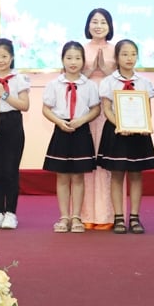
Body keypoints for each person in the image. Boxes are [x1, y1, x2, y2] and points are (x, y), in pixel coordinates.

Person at [97, 39, 154, 234]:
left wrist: (141, 125)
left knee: (136, 175)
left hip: (138, 133)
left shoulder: (144, 83)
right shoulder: (108, 82)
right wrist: (120, 124)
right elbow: (106, 109)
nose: (129, 58)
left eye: (133, 54)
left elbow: (146, 110)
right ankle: (119, 217)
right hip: (116, 132)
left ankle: (135, 217)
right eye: (124, 54)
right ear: (116, 58)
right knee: (116, 175)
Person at [42, 41, 100, 234]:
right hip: (61, 129)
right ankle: (63, 216)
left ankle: (76, 217)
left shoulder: (89, 85)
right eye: (69, 58)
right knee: (62, 176)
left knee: (78, 176)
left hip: (81, 130)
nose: (73, 62)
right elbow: (46, 109)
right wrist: (59, 122)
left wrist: (82, 120)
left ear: (83, 61)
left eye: (77, 58)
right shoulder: (54, 84)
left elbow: (96, 109)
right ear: (62, 60)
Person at [0, 38, 30, 230]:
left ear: (12, 57)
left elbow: (24, 106)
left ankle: (10, 212)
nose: (0, 60)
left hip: (13, 123)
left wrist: (3, 93)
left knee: (10, 170)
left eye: (4, 56)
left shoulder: (20, 79)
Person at [80, 8, 116, 230]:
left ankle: (107, 215)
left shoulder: (117, 49)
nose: (99, 25)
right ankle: (85, 215)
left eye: (103, 22)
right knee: (87, 159)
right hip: (86, 108)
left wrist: (105, 70)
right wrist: (91, 70)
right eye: (94, 21)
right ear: (88, 25)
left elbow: (124, 78)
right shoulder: (80, 49)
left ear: (110, 26)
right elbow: (71, 76)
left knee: (107, 160)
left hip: (109, 110)